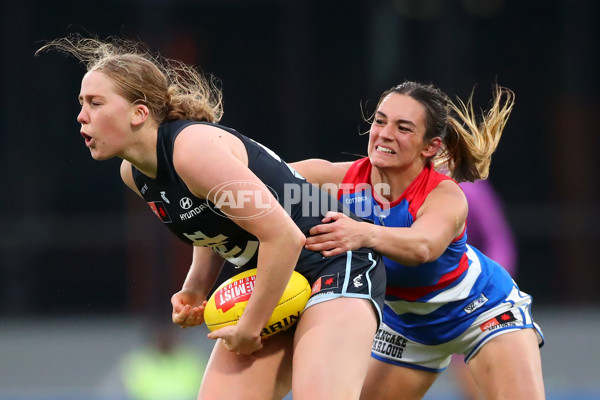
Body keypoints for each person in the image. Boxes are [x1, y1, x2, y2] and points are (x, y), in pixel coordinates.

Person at [36, 35, 386, 400]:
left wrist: (251, 326)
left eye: (95, 102)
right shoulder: (134, 172)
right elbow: (211, 224)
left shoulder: (192, 150)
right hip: (269, 275)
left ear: (139, 113)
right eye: (81, 103)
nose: (81, 115)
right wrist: (194, 288)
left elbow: (284, 237)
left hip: (333, 262)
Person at [290, 81, 545, 400]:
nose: (384, 133)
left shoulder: (446, 194)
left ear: (431, 146)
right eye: (380, 121)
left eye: (403, 127)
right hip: (405, 325)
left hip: (482, 310)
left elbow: (423, 247)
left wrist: (364, 233)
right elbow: (252, 181)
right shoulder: (334, 180)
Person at [451, 179, 518, 400]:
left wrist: (490, 283)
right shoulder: (405, 186)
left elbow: (498, 238)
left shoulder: (470, 188)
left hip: (477, 293)